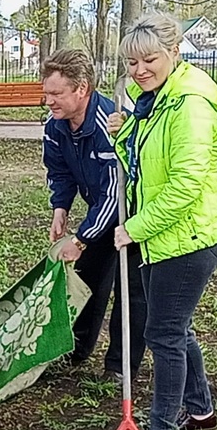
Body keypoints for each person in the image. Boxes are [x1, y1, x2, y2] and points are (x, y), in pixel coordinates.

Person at [106, 12, 217, 430]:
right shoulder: (156, 100)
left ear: (174, 54)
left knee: (163, 335)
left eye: (149, 60)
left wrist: (133, 229)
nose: (139, 71)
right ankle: (200, 411)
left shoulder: (190, 106)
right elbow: (141, 167)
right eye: (131, 64)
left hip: (188, 237)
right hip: (164, 236)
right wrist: (124, 133)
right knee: (176, 330)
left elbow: (184, 187)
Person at [41, 49, 147, 380]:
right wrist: (61, 207)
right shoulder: (55, 126)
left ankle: (119, 366)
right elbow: (59, 170)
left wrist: (83, 238)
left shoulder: (110, 124)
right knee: (88, 279)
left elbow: (114, 194)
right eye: (46, 94)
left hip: (138, 215)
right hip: (102, 210)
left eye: (56, 94)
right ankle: (77, 348)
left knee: (132, 291)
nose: (49, 102)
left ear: (82, 88)